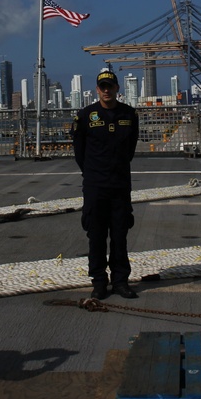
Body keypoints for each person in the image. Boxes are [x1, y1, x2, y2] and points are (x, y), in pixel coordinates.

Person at [71, 69, 140, 300]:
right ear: (97, 90)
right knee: (96, 235)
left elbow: (130, 149)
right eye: (103, 87)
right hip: (95, 186)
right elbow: (79, 152)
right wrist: (93, 173)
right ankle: (99, 282)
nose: (107, 90)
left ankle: (120, 281)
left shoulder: (129, 115)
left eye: (111, 86)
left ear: (118, 89)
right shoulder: (85, 116)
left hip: (120, 185)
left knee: (120, 235)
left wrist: (116, 170)